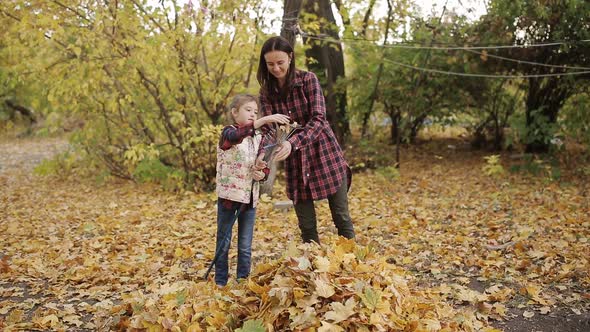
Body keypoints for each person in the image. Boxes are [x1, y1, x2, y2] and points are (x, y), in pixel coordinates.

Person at [255, 36, 355, 244]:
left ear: (290, 58)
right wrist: (264, 154)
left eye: (280, 62)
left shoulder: (308, 80)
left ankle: (352, 262)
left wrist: (293, 142)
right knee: (307, 226)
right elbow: (269, 131)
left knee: (341, 216)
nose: (276, 68)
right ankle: (313, 267)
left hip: (324, 154)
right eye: (270, 64)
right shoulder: (266, 93)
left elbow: (319, 119)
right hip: (295, 163)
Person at [214, 94, 289, 286]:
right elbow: (236, 136)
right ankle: (220, 281)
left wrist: (261, 173)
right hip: (230, 198)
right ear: (234, 112)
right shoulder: (228, 133)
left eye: (256, 112)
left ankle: (242, 280)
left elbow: (263, 165)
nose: (253, 115)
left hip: (250, 199)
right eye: (248, 110)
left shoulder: (258, 138)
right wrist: (264, 120)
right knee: (224, 242)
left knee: (245, 246)